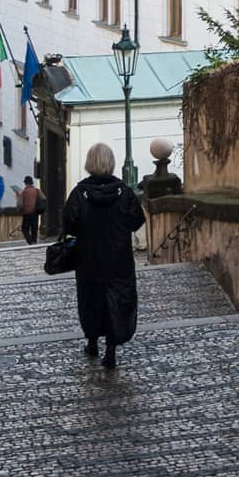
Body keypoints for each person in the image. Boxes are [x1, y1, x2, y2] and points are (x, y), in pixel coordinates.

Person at [61, 142, 144, 370]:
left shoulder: (79, 193)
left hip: (88, 257)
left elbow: (69, 222)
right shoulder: (124, 192)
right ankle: (111, 348)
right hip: (119, 258)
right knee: (118, 300)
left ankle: (92, 340)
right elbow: (137, 220)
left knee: (91, 299)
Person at [17, 175, 46, 245]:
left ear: (25, 183)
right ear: (32, 183)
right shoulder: (37, 190)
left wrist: (20, 210)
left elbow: (20, 204)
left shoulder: (23, 192)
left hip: (27, 213)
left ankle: (30, 241)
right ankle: (34, 241)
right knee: (34, 228)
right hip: (35, 212)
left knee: (24, 229)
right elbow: (44, 198)